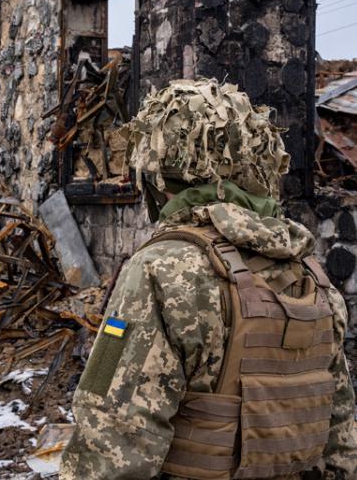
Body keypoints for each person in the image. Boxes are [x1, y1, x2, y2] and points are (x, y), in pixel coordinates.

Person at [60, 79, 357, 480]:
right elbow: (341, 437)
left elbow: (112, 431)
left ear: (162, 172)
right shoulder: (309, 272)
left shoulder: (159, 269)